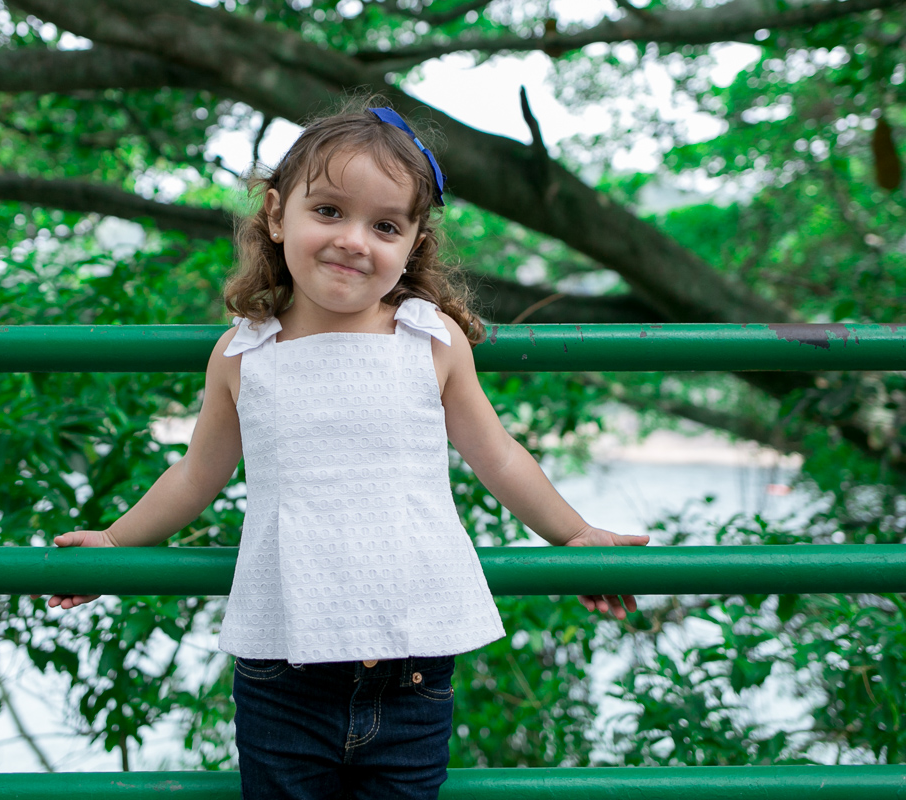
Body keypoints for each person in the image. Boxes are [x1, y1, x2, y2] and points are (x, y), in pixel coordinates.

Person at [47, 97, 649, 799]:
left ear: (414, 244)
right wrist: (117, 547)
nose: (354, 240)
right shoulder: (244, 352)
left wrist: (574, 536)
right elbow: (196, 473)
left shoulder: (430, 340)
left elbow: (501, 456)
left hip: (413, 666)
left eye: (385, 225)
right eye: (329, 211)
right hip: (283, 671)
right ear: (277, 215)